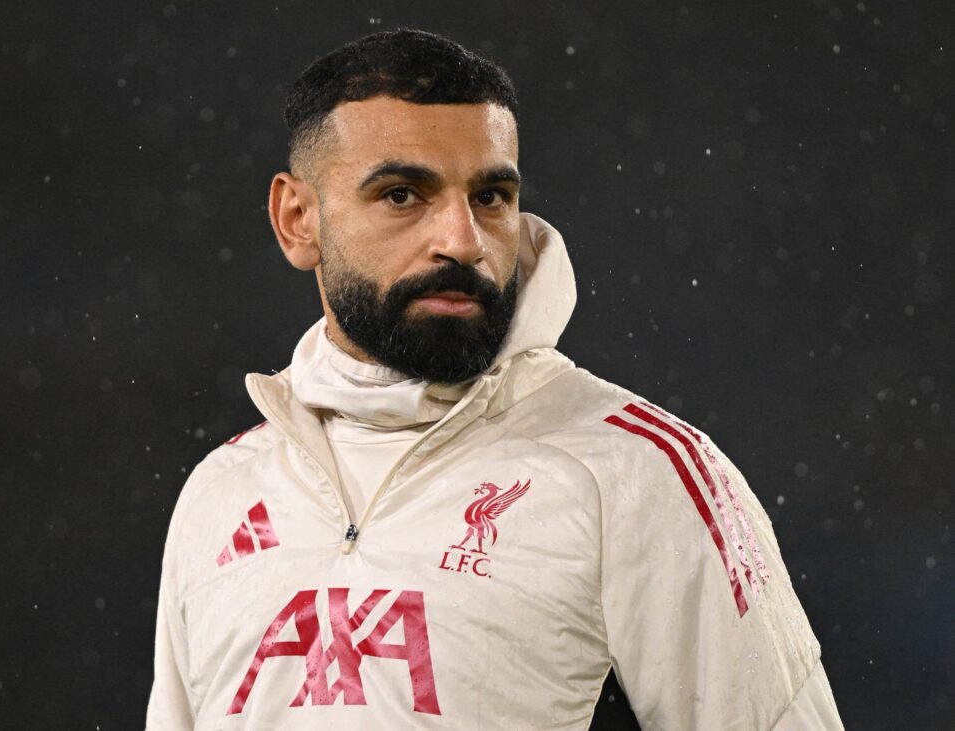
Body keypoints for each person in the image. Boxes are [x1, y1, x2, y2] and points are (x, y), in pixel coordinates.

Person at [146, 28, 844, 730]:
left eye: (489, 197)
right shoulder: (222, 491)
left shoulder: (639, 476)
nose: (462, 240)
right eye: (402, 195)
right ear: (298, 220)